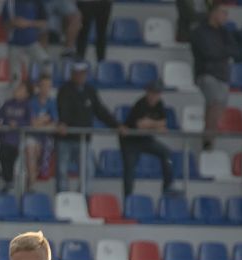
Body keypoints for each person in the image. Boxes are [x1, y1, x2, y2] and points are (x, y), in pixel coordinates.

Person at [56, 62, 118, 192]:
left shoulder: (90, 91)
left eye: (82, 73)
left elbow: (100, 111)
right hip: (66, 139)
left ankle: (83, 199)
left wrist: (117, 125)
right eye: (77, 73)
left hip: (83, 140)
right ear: (72, 74)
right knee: (62, 171)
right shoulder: (64, 90)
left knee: (88, 170)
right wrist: (63, 123)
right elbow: (63, 109)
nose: (80, 76)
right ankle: (63, 200)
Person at [189, 2, 242, 149]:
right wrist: (224, 51)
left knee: (215, 106)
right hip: (206, 74)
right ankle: (208, 140)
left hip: (222, 75)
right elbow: (208, 53)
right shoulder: (199, 32)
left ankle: (207, 137)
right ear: (213, 13)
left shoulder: (224, 32)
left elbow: (235, 50)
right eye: (223, 12)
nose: (226, 16)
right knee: (216, 101)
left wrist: (221, 51)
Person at [119, 79, 175, 199]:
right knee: (130, 170)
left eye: (157, 93)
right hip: (131, 141)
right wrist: (155, 125)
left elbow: (164, 124)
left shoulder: (160, 104)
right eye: (153, 93)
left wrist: (149, 124)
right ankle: (128, 198)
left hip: (145, 139)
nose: (155, 96)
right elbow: (140, 125)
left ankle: (167, 186)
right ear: (147, 92)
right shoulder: (141, 104)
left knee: (167, 153)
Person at [0, 80, 34, 192]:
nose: (17, 90)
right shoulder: (7, 103)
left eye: (21, 89)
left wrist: (18, 125)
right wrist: (0, 122)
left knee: (12, 160)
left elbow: (29, 122)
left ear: (26, 94)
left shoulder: (27, 106)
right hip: (4, 139)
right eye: (17, 88)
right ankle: (8, 181)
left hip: (17, 141)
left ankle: (11, 181)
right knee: (2, 157)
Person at [2, 0, 49, 84]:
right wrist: (13, 23)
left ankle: (42, 87)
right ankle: (15, 93)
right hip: (14, 44)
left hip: (32, 43)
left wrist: (28, 23)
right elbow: (4, 25)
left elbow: (44, 23)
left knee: (46, 63)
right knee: (15, 75)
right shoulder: (9, 3)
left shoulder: (37, 2)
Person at [27, 75, 58, 185]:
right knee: (31, 150)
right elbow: (32, 123)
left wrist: (40, 122)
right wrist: (45, 119)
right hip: (32, 137)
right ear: (38, 87)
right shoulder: (31, 102)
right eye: (44, 86)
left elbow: (54, 123)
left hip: (47, 137)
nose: (46, 88)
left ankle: (33, 183)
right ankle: (31, 185)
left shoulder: (52, 102)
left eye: (49, 86)